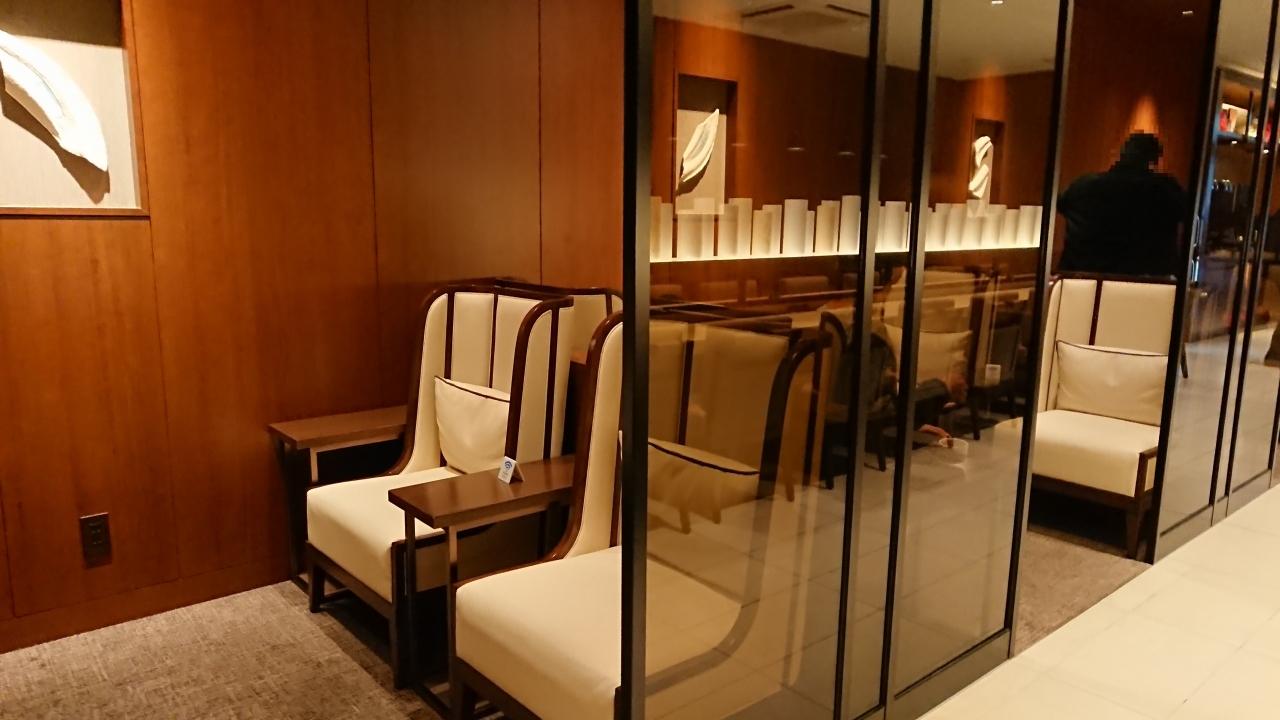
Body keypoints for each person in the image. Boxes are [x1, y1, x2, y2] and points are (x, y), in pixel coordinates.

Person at [1057, 132, 1186, 278]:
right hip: (1147, 283)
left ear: (1121, 154)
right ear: (1154, 160)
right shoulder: (1164, 190)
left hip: (1080, 281)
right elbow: (1189, 212)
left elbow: (1061, 205)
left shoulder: (1083, 186)